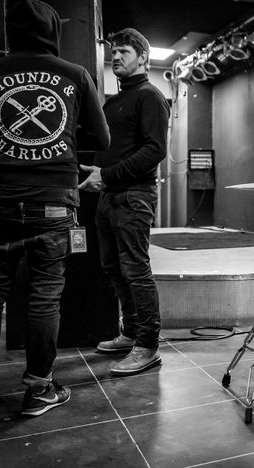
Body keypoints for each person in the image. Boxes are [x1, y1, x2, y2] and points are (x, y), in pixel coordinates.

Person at [0, 0, 110, 420]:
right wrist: (61, 137)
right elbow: (101, 139)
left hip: (2, 202)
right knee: (44, 297)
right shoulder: (75, 75)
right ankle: (39, 390)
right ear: (53, 30)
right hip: (54, 203)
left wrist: (3, 137)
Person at [79, 27, 169, 376]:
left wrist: (107, 174)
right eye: (113, 52)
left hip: (134, 196)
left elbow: (155, 151)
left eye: (124, 52)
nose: (115, 57)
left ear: (143, 58)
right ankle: (131, 333)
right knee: (113, 269)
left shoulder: (150, 97)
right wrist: (100, 171)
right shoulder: (114, 102)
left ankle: (148, 346)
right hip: (110, 195)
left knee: (135, 270)